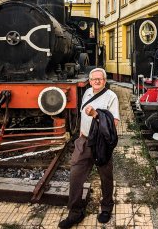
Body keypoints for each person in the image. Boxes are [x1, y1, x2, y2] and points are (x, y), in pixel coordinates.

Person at [58, 68, 120, 229]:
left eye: (100, 79)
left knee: (106, 177)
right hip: (84, 141)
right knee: (75, 175)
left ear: (105, 81)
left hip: (101, 144)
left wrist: (96, 115)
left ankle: (106, 207)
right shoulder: (87, 93)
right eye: (94, 79)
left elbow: (114, 124)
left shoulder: (111, 97)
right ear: (90, 81)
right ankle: (75, 213)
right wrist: (80, 136)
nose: (97, 81)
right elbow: (81, 117)